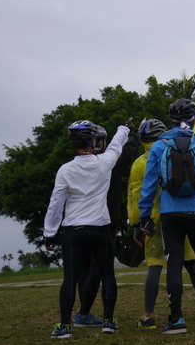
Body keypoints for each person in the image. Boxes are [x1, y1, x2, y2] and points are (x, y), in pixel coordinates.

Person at [138, 98, 195, 335]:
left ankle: (176, 319)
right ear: (192, 119)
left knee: (175, 266)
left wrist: (144, 216)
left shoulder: (159, 146)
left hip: (170, 213)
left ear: (170, 120)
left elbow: (148, 186)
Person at [43, 119, 130, 339]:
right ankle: (109, 321)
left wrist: (49, 233)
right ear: (93, 140)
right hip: (100, 228)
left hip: (74, 230)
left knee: (70, 279)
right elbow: (117, 145)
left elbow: (56, 203)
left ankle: (64, 326)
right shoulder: (104, 163)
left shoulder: (65, 170)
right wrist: (124, 128)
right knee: (107, 276)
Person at [127, 118, 195, 330]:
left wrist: (137, 223)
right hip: (179, 214)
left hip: (153, 220)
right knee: (190, 262)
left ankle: (148, 315)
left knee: (155, 265)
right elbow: (193, 132)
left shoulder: (139, 163)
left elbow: (137, 195)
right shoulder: (173, 149)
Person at [74, 123, 140, 328]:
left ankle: (82, 312)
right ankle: (85, 313)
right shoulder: (112, 163)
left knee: (83, 270)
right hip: (105, 221)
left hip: (79, 222)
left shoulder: (76, 165)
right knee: (100, 270)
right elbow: (128, 150)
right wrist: (133, 132)